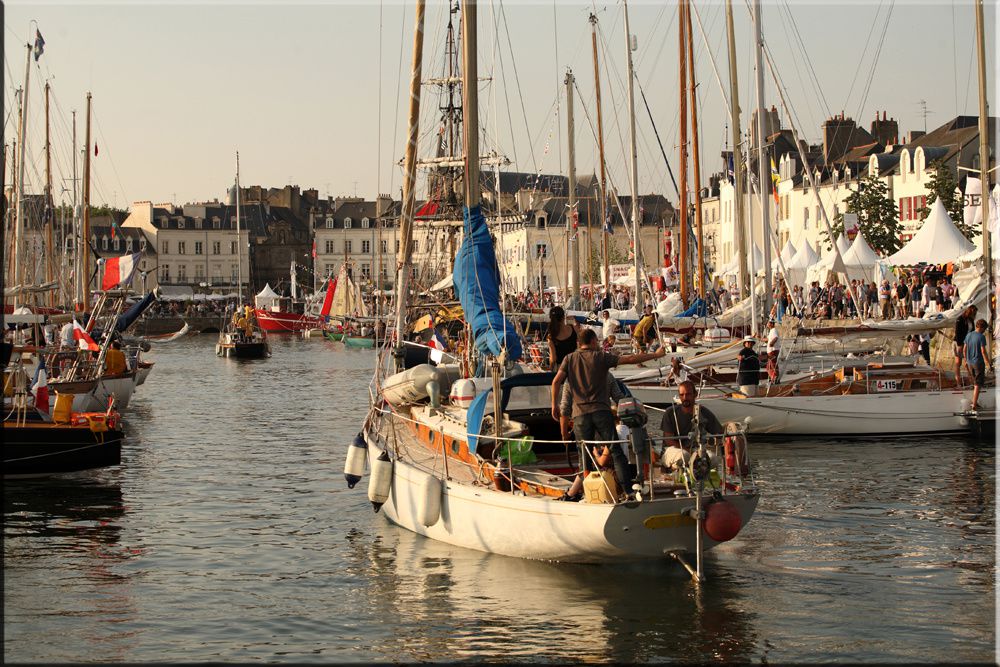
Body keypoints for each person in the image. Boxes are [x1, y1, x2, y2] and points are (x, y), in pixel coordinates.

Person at [551, 328, 665, 500]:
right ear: (594, 342)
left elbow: (556, 382)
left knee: (584, 458)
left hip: (580, 416)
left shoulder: (569, 359)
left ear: (578, 343)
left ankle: (586, 494)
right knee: (616, 451)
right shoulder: (601, 358)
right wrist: (655, 355)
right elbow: (630, 359)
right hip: (601, 413)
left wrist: (555, 410)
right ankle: (628, 491)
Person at [659, 380, 724, 472]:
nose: (685, 398)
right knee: (684, 456)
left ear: (695, 394)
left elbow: (720, 433)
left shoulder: (704, 412)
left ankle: (698, 476)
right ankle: (671, 472)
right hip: (672, 450)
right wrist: (689, 452)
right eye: (682, 395)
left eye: (688, 394)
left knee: (713, 459)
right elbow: (669, 440)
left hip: (695, 451)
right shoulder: (670, 412)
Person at [963, 319, 993, 409]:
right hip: (978, 363)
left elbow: (964, 349)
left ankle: (974, 401)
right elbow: (983, 351)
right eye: (984, 329)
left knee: (975, 382)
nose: (984, 331)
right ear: (982, 327)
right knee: (978, 384)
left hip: (969, 362)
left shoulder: (968, 335)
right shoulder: (981, 337)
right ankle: (974, 404)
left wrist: (966, 360)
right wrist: (988, 363)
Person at [545, 306, 578, 371]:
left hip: (561, 369)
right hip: (574, 366)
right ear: (563, 317)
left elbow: (553, 359)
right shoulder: (573, 328)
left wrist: (550, 369)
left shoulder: (551, 336)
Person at [954, 305, 977, 385]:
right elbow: (957, 333)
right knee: (958, 362)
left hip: (967, 343)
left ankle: (971, 379)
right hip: (959, 343)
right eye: (974, 313)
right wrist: (960, 345)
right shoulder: (960, 319)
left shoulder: (970, 320)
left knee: (968, 362)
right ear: (970, 312)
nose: (975, 315)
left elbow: (972, 331)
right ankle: (958, 381)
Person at [765, 318, 780, 383]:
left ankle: (775, 377)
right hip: (771, 351)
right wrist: (758, 338)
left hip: (773, 350)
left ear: (771, 323)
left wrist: (771, 343)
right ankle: (773, 377)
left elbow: (775, 338)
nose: (767, 324)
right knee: (769, 366)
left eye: (768, 323)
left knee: (773, 364)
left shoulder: (773, 330)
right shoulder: (771, 331)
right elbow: (767, 340)